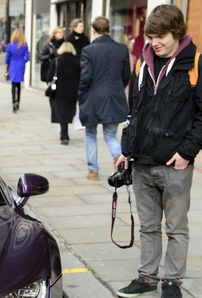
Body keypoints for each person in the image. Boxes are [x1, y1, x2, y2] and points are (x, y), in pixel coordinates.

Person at [115, 5, 202, 298]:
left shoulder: (199, 64)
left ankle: (172, 281)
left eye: (160, 37)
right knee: (148, 226)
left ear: (177, 33)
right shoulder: (142, 64)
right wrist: (126, 151)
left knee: (176, 227)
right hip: (142, 161)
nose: (154, 43)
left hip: (175, 164)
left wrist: (186, 153)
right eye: (151, 37)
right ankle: (147, 277)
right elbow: (134, 111)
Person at [78, 16, 130, 181]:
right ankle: (117, 156)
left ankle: (93, 171)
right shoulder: (122, 49)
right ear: (109, 30)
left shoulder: (88, 50)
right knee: (110, 134)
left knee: (90, 134)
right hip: (114, 96)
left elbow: (86, 77)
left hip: (93, 97)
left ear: (93, 30)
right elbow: (126, 75)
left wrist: (80, 93)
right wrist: (117, 89)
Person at [47, 42, 81, 145]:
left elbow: (49, 76)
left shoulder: (56, 61)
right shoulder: (76, 62)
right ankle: (64, 134)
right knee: (68, 112)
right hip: (72, 92)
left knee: (61, 112)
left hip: (59, 91)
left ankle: (64, 136)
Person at [5, 28, 30, 113]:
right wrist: (23, 61)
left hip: (13, 64)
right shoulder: (24, 44)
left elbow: (7, 58)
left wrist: (6, 68)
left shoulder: (10, 45)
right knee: (18, 84)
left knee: (13, 84)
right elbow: (28, 57)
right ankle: (18, 102)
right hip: (20, 64)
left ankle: (13, 103)